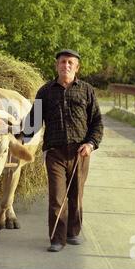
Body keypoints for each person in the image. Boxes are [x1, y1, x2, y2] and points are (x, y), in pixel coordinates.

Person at [22, 49, 103, 252]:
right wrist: (17, 136)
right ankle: (57, 239)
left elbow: (97, 122)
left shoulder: (87, 90)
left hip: (80, 152)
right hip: (55, 152)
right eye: (62, 62)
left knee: (76, 195)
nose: (65, 65)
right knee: (57, 196)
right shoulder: (45, 91)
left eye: (70, 63)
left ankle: (73, 232)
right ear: (56, 65)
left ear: (77, 67)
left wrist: (91, 144)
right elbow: (33, 121)